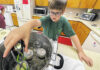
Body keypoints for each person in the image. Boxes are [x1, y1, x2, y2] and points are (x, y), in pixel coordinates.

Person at [3, 0, 93, 67]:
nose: (53, 16)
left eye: (57, 13)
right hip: (44, 41)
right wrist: (27, 25)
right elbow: (35, 22)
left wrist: (81, 51)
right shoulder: (47, 19)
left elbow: (73, 35)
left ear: (63, 12)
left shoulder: (64, 22)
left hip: (54, 42)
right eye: (51, 12)